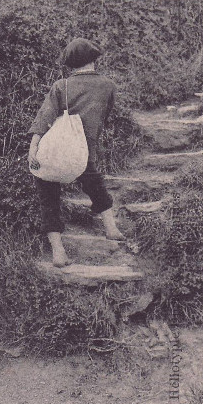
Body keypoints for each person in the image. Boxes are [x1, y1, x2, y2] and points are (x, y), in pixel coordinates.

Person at [29, 37, 126, 267]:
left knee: (48, 196)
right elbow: (105, 116)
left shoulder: (60, 86)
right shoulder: (108, 86)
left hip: (56, 150)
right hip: (84, 152)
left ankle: (58, 252)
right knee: (96, 184)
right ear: (94, 59)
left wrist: (33, 148)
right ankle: (111, 229)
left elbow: (44, 119)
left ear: (71, 63)